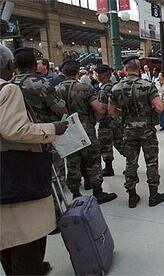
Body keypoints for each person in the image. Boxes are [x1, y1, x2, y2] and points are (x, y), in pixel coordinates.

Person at [0, 44, 68, 276]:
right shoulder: (8, 90)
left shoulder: (14, 84)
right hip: (20, 167)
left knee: (6, 237)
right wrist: (53, 128)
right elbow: (14, 129)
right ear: (9, 65)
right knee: (27, 238)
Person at [55, 60, 117, 204]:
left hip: (67, 129)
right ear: (78, 72)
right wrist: (94, 119)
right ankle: (97, 192)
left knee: (72, 162)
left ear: (63, 72)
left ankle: (76, 193)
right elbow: (99, 109)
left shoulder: (56, 89)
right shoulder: (85, 88)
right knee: (93, 161)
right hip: (85, 129)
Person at [109, 56, 164, 208]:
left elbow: (111, 111)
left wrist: (124, 113)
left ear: (125, 70)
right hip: (147, 129)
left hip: (128, 129)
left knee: (130, 162)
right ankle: (154, 195)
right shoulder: (148, 85)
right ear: (140, 70)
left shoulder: (116, 88)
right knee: (152, 162)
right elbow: (160, 107)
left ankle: (132, 196)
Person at [11, 47, 68, 193]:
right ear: (34, 65)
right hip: (44, 138)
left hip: (18, 139)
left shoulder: (7, 85)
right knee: (54, 180)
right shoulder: (41, 83)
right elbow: (62, 110)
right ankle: (55, 210)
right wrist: (62, 123)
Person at [95, 64, 124, 176]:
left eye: (97, 74)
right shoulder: (114, 86)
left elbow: (102, 108)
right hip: (116, 119)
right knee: (119, 142)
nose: (96, 76)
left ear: (104, 75)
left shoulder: (104, 89)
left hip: (106, 121)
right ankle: (132, 162)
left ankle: (108, 168)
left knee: (105, 144)